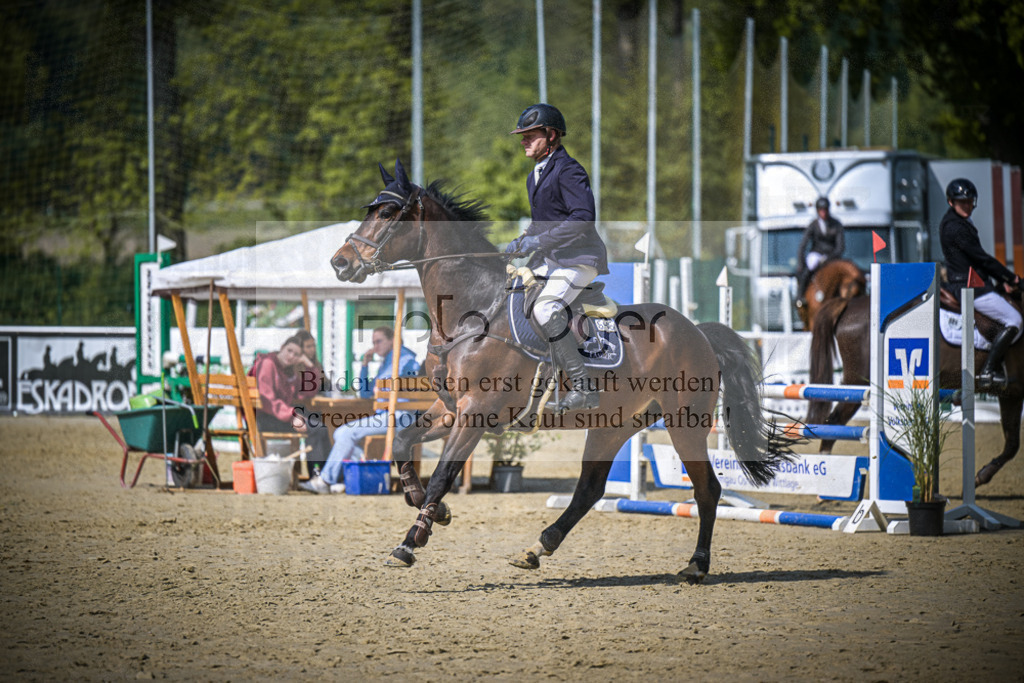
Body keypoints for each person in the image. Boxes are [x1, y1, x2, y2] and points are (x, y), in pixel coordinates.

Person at [505, 103, 609, 413]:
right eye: (522, 136)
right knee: (511, 293)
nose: (523, 140)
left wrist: (540, 240)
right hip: (552, 259)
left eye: (530, 135)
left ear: (551, 135)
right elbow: (542, 222)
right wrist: (523, 241)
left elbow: (582, 218)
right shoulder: (534, 176)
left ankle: (583, 387)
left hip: (578, 259)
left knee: (545, 307)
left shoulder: (569, 169)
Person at [300, 326, 421, 494]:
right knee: (342, 434)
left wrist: (384, 389)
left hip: (400, 417)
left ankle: (326, 479)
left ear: (393, 340)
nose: (375, 346)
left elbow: (405, 386)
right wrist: (365, 365)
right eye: (373, 342)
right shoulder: (388, 361)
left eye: (379, 341)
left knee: (343, 433)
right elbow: (365, 393)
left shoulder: (403, 359)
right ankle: (348, 474)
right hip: (390, 416)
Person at [940, 177, 1022, 392]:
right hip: (967, 287)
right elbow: (982, 259)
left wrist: (998, 284)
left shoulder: (961, 222)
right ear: (951, 202)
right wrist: (1010, 278)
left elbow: (977, 262)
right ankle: (989, 370)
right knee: (1014, 319)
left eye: (969, 201)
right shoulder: (955, 227)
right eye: (962, 202)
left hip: (974, 282)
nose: (967, 206)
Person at [248, 334, 331, 473]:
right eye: (289, 350)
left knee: (320, 424)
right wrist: (293, 417)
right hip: (265, 418)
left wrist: (310, 366)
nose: (291, 356)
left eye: (296, 354)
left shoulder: (288, 371)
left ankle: (326, 476)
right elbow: (268, 402)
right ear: (282, 348)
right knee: (316, 428)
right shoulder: (268, 364)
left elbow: (308, 392)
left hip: (281, 416)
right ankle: (318, 475)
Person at [795, 196, 845, 310]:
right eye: (821, 210)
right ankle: (800, 295)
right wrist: (800, 263)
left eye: (825, 209)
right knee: (812, 265)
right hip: (816, 253)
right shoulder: (813, 225)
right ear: (818, 211)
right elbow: (803, 244)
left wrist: (829, 257)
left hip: (832, 255)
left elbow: (840, 247)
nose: (823, 212)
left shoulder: (836, 224)